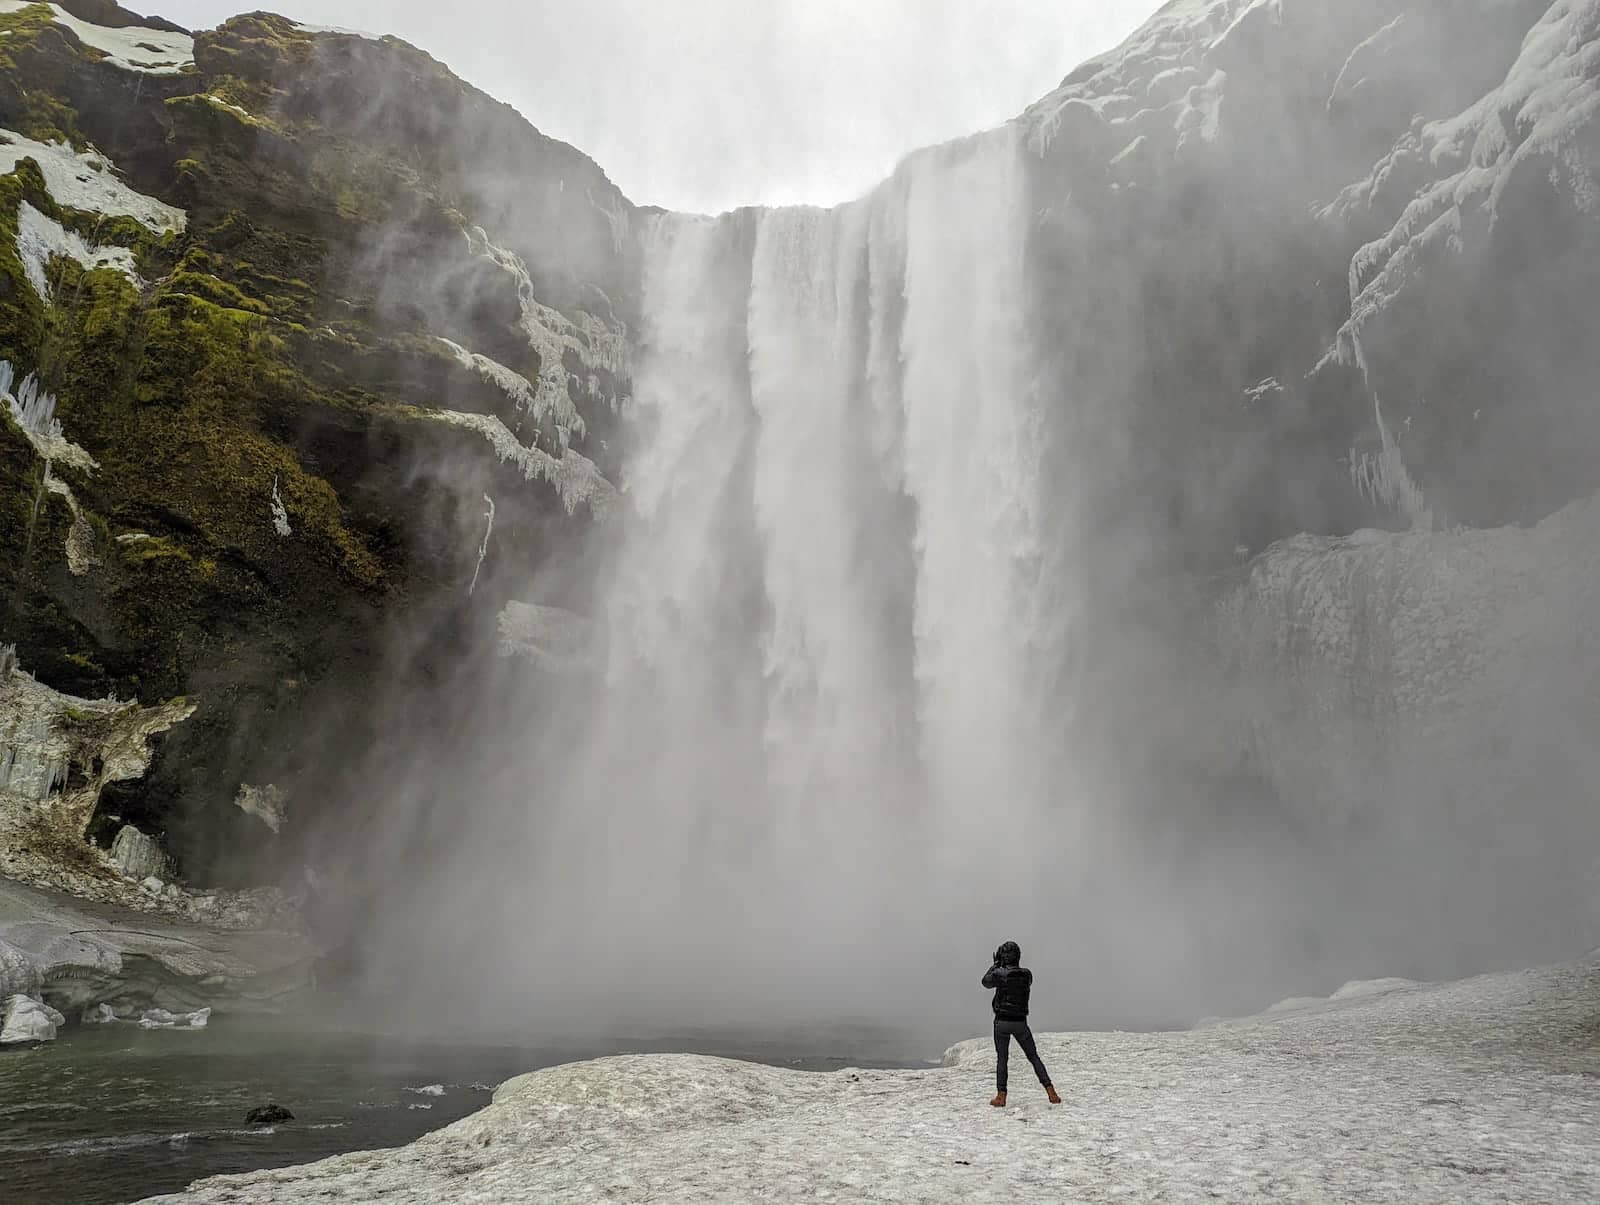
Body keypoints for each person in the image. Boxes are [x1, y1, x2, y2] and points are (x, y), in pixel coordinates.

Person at [982, 940, 1060, 1108]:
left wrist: (995, 965)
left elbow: (985, 982)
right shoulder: (1027, 975)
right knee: (1033, 1057)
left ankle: (1001, 1096)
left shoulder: (999, 974)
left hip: (1002, 1022)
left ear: (1003, 957)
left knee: (1002, 1059)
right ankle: (1050, 1091)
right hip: (1021, 1023)